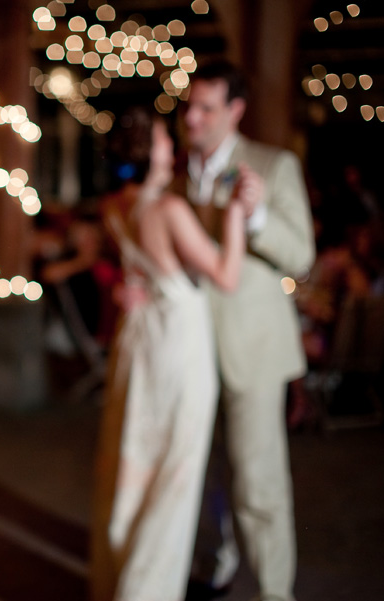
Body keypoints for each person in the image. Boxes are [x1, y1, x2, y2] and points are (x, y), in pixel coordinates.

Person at [91, 106, 249, 601]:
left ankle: (121, 570)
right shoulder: (169, 210)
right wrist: (238, 215)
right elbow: (225, 275)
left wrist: (126, 287)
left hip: (137, 342)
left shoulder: (114, 207)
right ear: (147, 150)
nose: (170, 143)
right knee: (175, 469)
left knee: (132, 455)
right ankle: (146, 588)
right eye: (162, 137)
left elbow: (134, 268)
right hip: (178, 343)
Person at [181, 60, 315, 601]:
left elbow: (301, 256)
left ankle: (274, 593)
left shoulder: (271, 164)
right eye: (189, 105)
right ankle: (215, 567)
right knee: (204, 472)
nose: (192, 117)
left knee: (258, 483)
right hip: (188, 348)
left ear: (235, 110)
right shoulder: (175, 169)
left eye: (206, 107)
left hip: (251, 350)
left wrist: (257, 217)